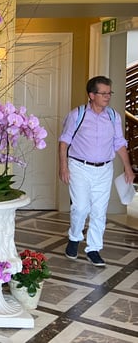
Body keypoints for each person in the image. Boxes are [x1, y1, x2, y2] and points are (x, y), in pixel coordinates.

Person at [58, 76, 134, 267]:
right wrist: (63, 166)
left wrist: (127, 167)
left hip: (104, 168)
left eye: (109, 93)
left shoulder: (113, 116)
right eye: (103, 93)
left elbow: (119, 143)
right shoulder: (78, 114)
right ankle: (74, 237)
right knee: (81, 207)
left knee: (99, 211)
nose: (107, 97)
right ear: (91, 95)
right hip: (79, 166)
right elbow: (64, 141)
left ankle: (93, 249)